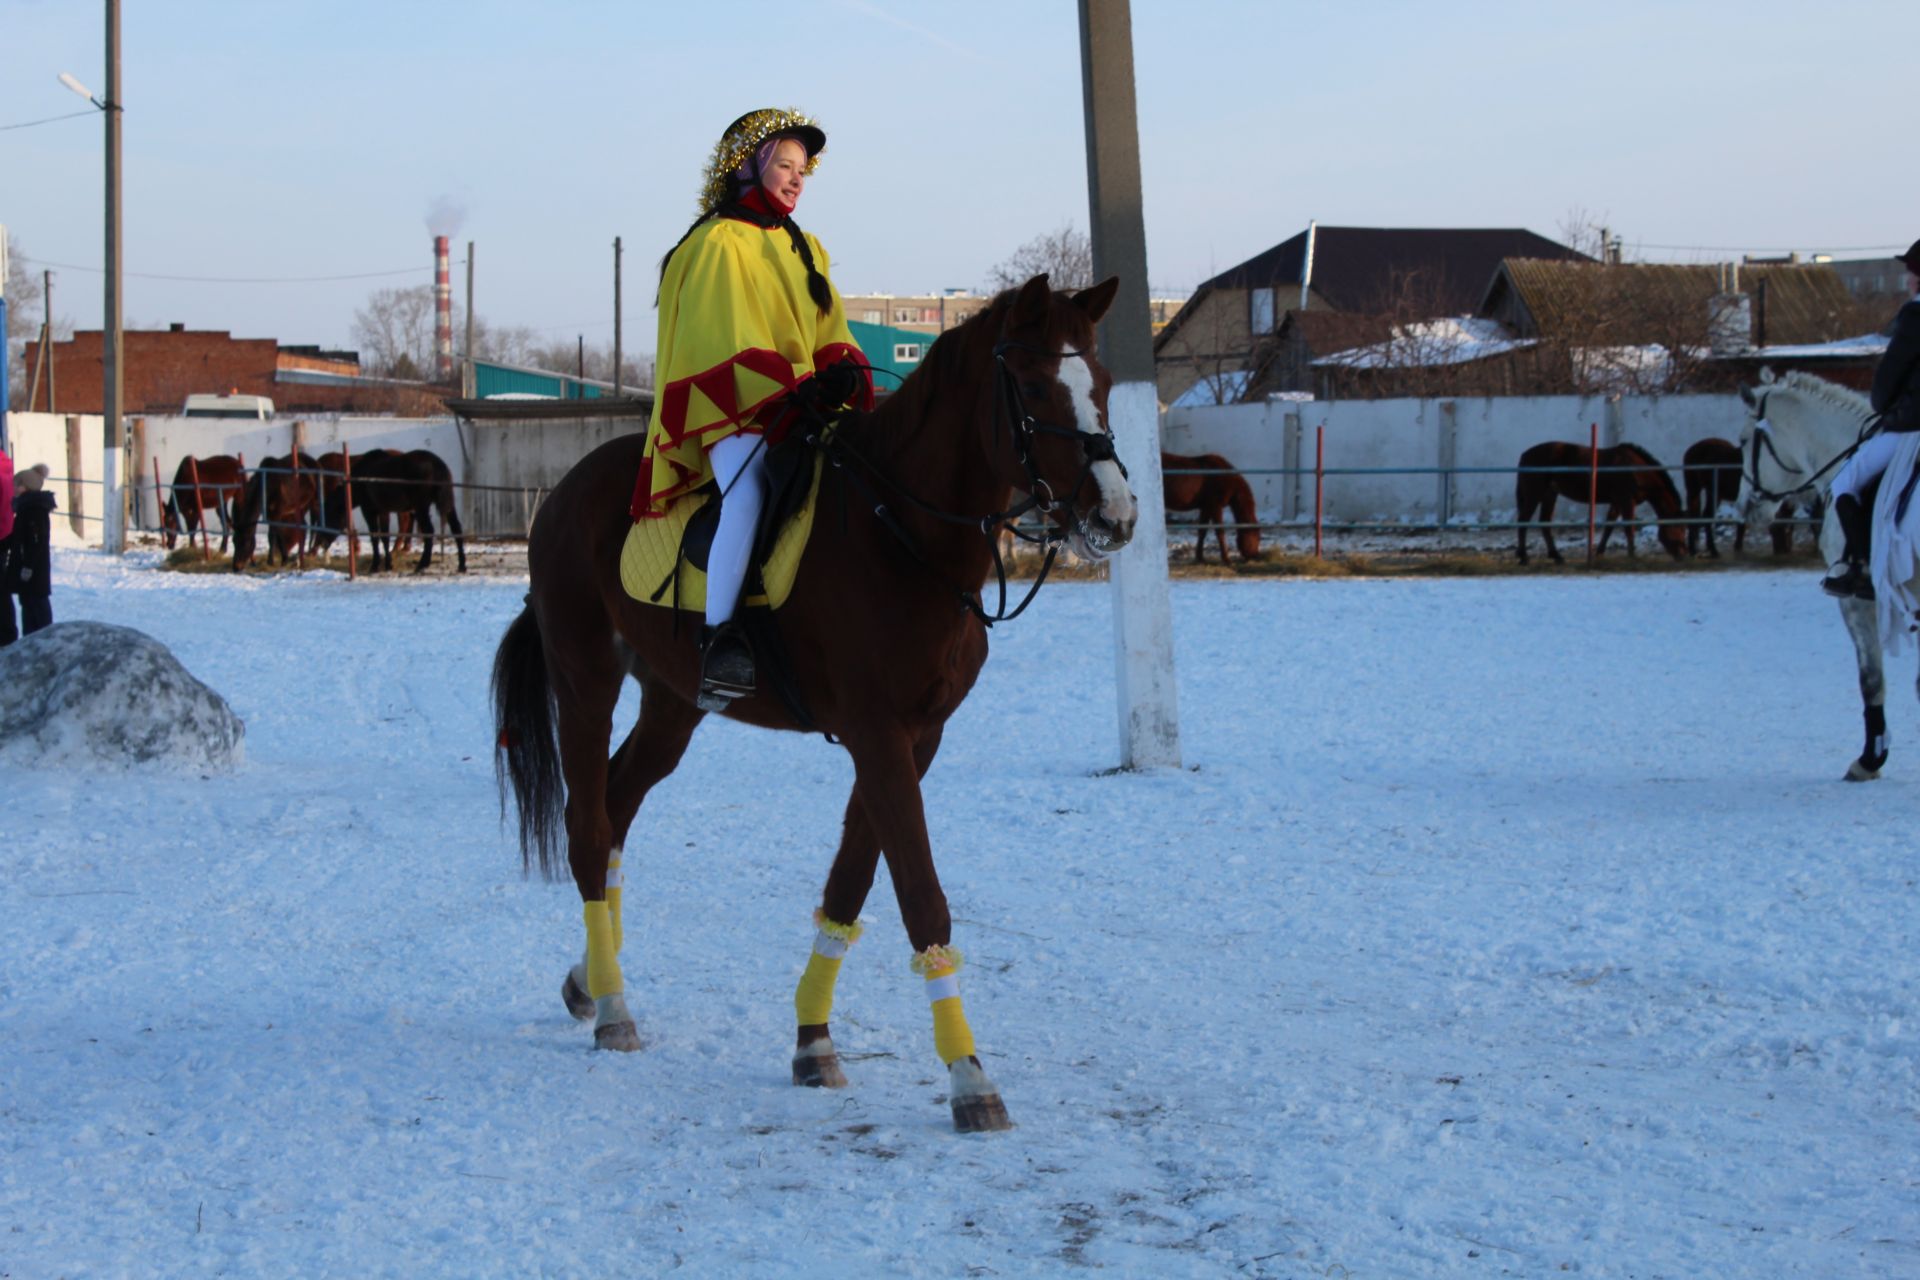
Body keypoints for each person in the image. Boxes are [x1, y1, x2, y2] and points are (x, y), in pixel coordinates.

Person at [633, 108, 872, 711]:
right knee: (748, 490)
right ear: (746, 166)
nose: (796, 179)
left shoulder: (806, 246)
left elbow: (827, 326)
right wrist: (796, 386)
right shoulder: (714, 242)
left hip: (803, 403)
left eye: (802, 170)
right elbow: (724, 339)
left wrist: (839, 364)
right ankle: (720, 639)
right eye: (784, 166)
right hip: (737, 409)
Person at [1820, 239, 1920, 599]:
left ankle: (1860, 565)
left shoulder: (1915, 315)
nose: (1908, 279)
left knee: (1846, 483)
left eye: (1911, 272)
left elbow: (1889, 379)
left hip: (1911, 427)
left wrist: (1885, 407)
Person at [4, 463, 56, 642]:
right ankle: (31, 641)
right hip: (28, 572)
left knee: (37, 606)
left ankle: (43, 640)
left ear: (26, 486)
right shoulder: (26, 509)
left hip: (34, 572)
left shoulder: (34, 511)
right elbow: (17, 537)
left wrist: (28, 567)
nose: (13, 488)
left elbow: (36, 541)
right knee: (27, 604)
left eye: (16, 484)